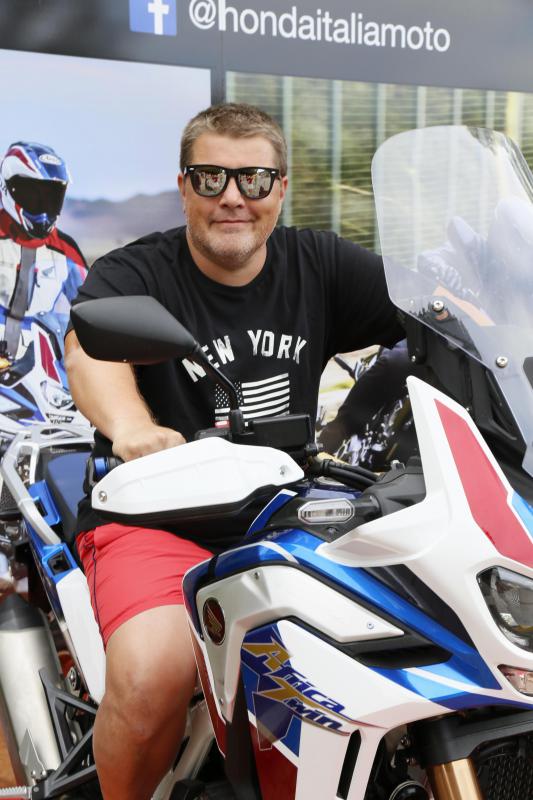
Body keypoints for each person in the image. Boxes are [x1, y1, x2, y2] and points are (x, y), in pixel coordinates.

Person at [65, 102, 404, 800]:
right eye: (210, 177)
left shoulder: (320, 264)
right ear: (184, 186)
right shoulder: (138, 272)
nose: (232, 197)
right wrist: (132, 429)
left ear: (280, 188)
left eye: (253, 179)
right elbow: (90, 353)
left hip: (287, 517)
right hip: (156, 519)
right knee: (154, 673)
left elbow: (435, 316)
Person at [0, 141, 88, 437]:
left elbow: (89, 314)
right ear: (9, 189)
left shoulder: (67, 251)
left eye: (51, 196)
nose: (42, 205)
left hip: (48, 383)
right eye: (33, 193)